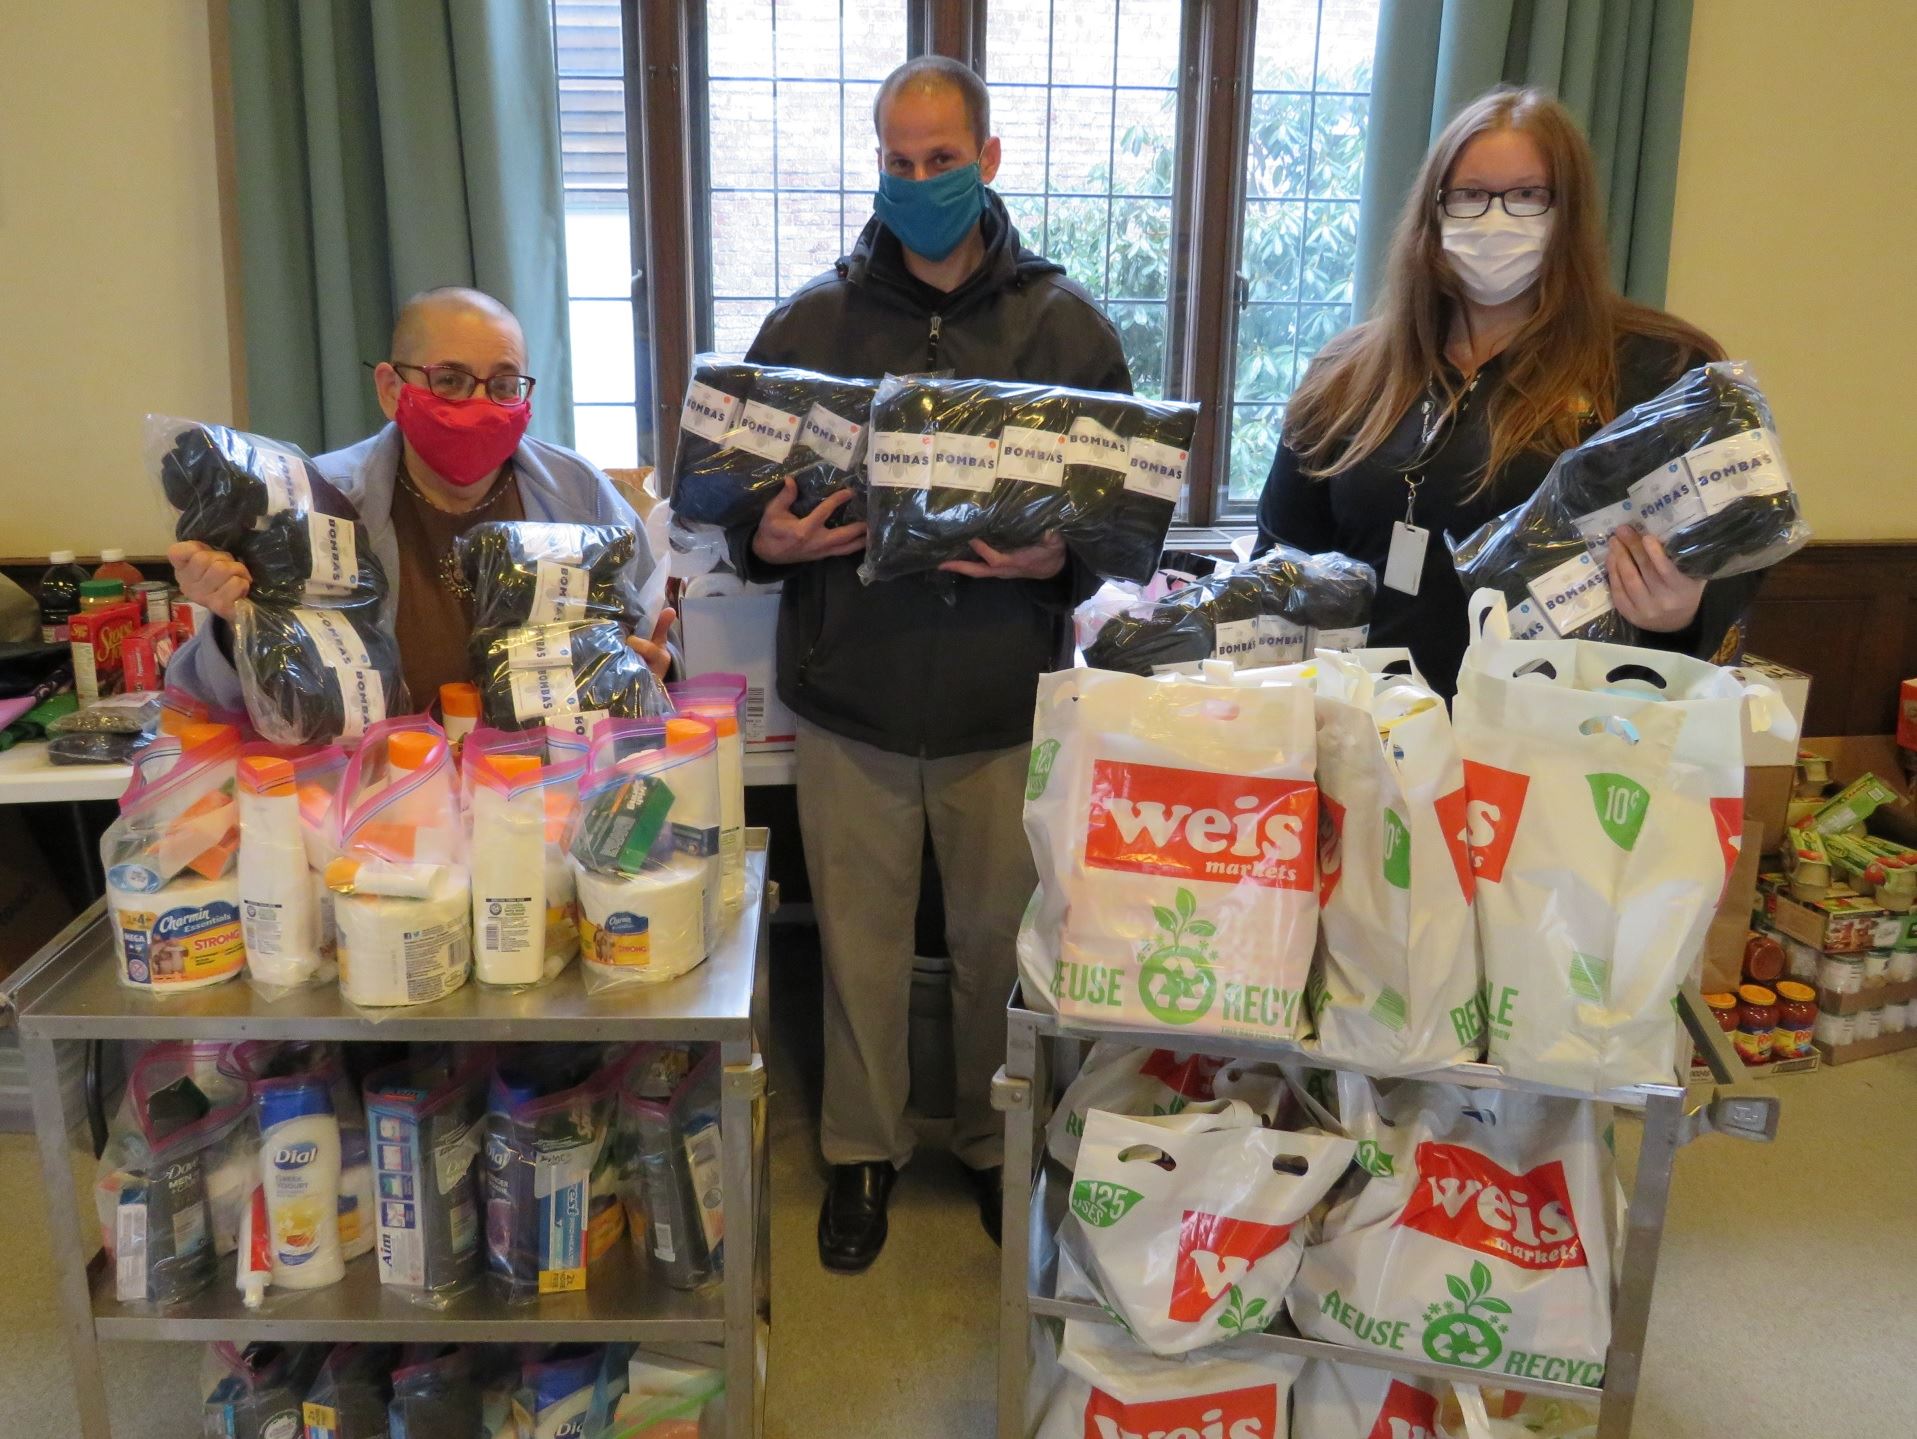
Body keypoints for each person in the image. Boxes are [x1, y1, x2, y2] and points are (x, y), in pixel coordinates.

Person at [738, 56, 1131, 1273]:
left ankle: (989, 1142)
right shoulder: (807, 326)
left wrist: (1058, 560)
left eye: (942, 159)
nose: (919, 181)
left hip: (1001, 700)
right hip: (849, 694)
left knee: (998, 948)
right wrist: (765, 539)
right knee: (853, 946)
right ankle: (861, 1150)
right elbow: (737, 496)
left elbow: (1121, 514)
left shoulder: (1065, 328)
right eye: (898, 162)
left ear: (988, 158)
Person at [1255, 87, 1758, 695]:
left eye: (1526, 195)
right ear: (1433, 210)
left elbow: (1735, 561)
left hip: (1560, 729)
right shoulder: (1347, 374)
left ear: (1568, 212)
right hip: (1363, 726)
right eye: (1469, 195)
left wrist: (1683, 614)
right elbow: (1283, 563)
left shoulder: (1659, 367)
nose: (1495, 220)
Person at [167, 286, 673, 714]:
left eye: (503, 384)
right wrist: (234, 624)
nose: (479, 405)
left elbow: (657, 650)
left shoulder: (578, 493)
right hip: (380, 787)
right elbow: (201, 699)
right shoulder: (314, 501)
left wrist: (654, 671)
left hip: (549, 781)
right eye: (449, 380)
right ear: (391, 389)